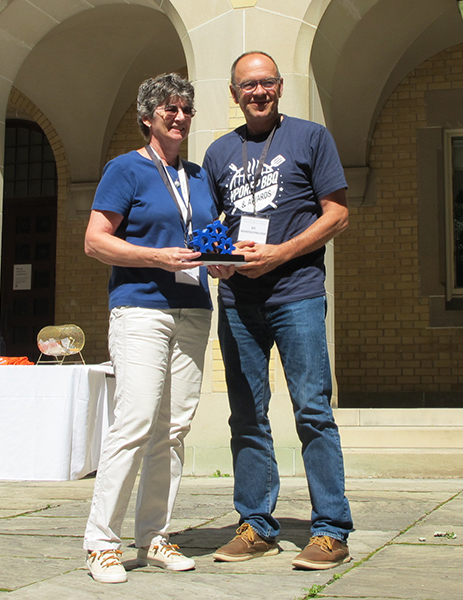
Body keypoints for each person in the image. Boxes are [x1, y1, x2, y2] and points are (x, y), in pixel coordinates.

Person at [202, 51, 354, 570]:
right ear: (234, 93)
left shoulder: (311, 137)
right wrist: (216, 262)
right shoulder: (219, 152)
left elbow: (337, 214)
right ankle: (256, 525)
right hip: (239, 302)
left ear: (281, 87)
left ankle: (330, 529)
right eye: (248, 85)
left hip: (298, 293)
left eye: (266, 83)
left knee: (312, 409)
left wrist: (282, 253)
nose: (258, 92)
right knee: (246, 413)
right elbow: (212, 229)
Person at [82, 73, 221, 584]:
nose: (180, 116)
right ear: (148, 117)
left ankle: (154, 536)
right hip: (141, 307)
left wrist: (219, 259)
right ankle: (101, 543)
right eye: (170, 109)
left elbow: (206, 238)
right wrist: (155, 258)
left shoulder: (201, 176)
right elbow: (96, 241)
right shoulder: (125, 169)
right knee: (135, 422)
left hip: (193, 308)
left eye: (186, 109)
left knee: (174, 429)